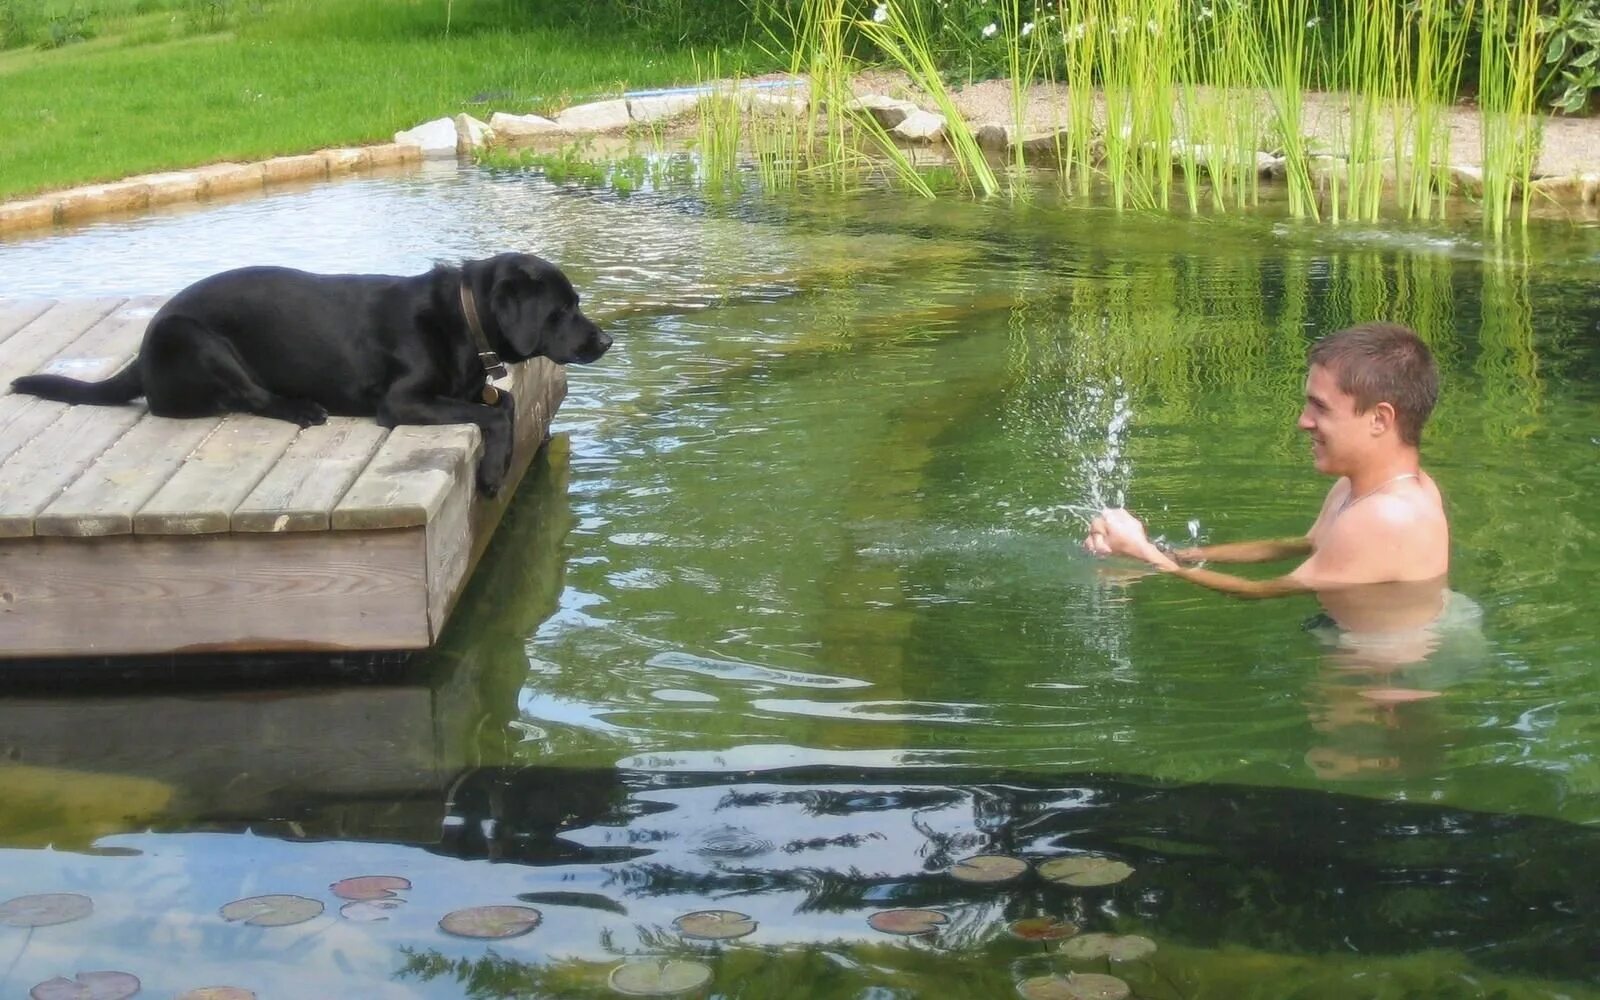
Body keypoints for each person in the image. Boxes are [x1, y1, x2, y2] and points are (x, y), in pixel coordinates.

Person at [1082, 321, 1450, 632]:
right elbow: (1300, 545)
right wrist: (1176, 553)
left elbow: (1260, 591)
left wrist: (1145, 556)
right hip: (1369, 639)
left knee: (1333, 720)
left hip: (1386, 674)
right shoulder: (1363, 489)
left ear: (1379, 420)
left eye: (1320, 407)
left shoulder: (1385, 517)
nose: (1302, 421)